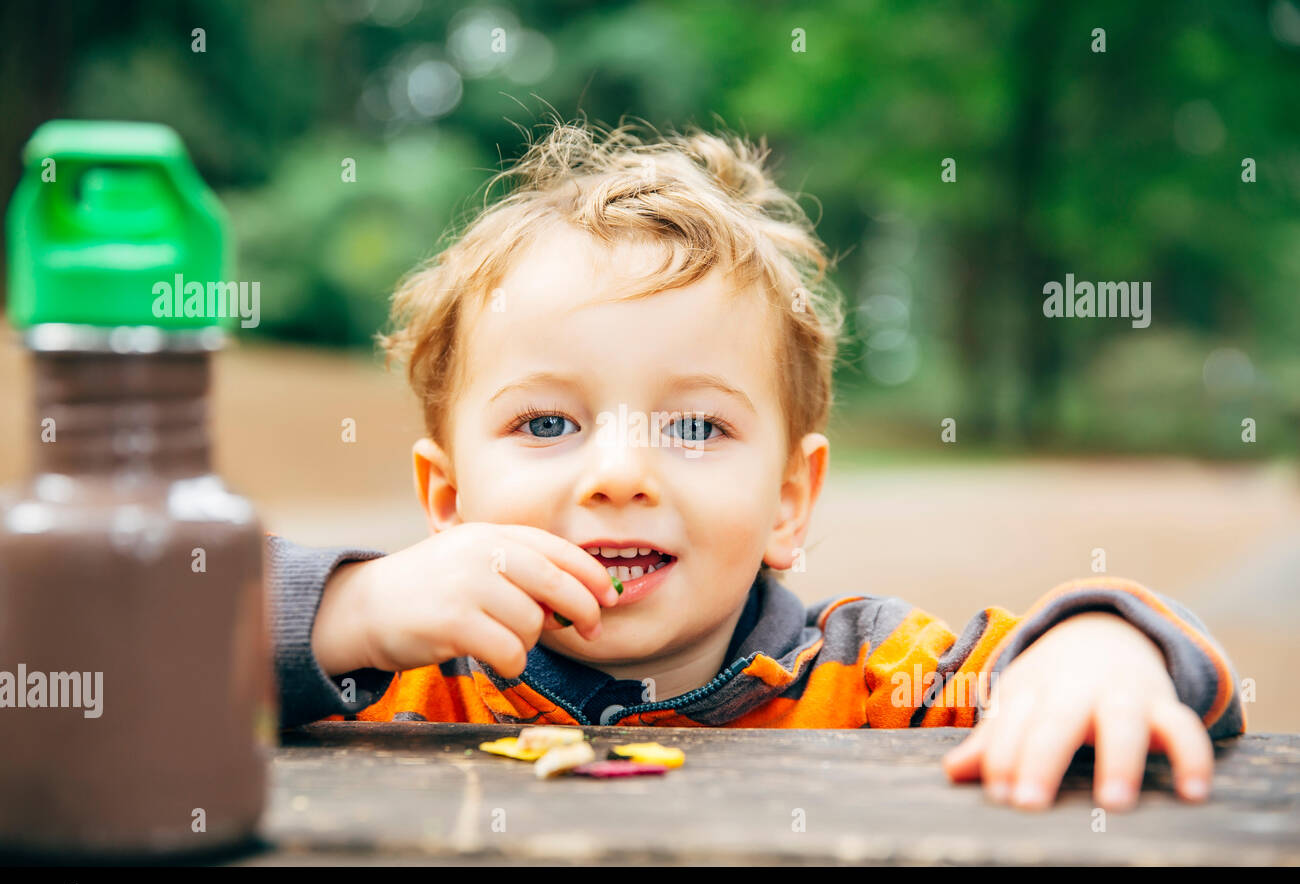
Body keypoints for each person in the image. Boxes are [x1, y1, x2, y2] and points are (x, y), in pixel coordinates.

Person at [269, 118, 1244, 813]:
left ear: (788, 500)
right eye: (545, 423)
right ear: (446, 497)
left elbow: (1119, 664)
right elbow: (150, 657)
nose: (620, 474)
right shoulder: (399, 669)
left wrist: (1099, 651)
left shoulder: (872, 672)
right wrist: (350, 608)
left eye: (694, 428)